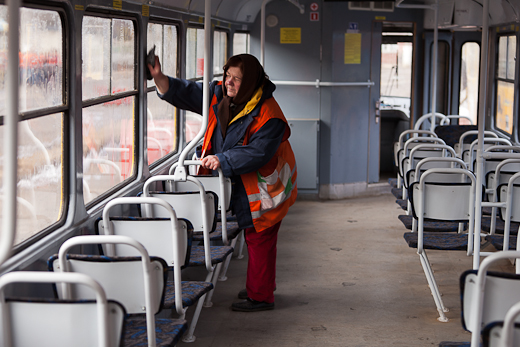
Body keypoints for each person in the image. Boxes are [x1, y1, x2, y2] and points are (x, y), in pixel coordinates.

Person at [148, 53, 297, 312]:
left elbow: (258, 153)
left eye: (237, 79)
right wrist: (159, 77)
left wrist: (222, 159)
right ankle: (261, 285)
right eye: (227, 75)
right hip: (242, 181)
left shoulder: (269, 114)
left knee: (259, 235)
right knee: (257, 236)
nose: (229, 82)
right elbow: (188, 92)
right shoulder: (220, 95)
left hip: (267, 186)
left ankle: (261, 297)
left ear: (250, 82)